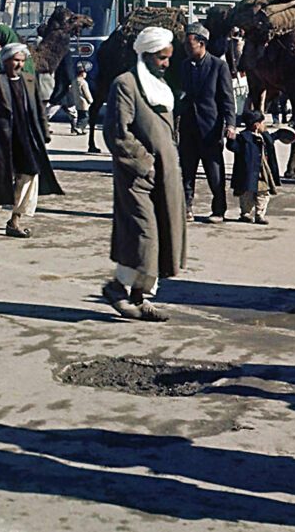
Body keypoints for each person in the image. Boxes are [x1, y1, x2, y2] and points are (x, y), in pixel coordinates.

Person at [101, 26, 186, 321]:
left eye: (168, 58)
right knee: (143, 234)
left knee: (161, 233)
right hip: (138, 177)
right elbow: (117, 133)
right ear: (147, 55)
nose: (166, 64)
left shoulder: (160, 87)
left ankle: (140, 297)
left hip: (164, 176)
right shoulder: (125, 84)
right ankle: (117, 287)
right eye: (161, 58)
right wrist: (144, 163)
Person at [0, 42, 63, 238]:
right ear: (5, 61)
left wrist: (44, 132)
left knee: (30, 174)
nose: (19, 64)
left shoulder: (29, 81)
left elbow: (38, 110)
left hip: (26, 136)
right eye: (15, 60)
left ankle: (15, 219)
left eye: (22, 61)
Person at [178, 22, 236, 223]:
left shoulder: (219, 66)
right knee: (186, 170)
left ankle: (219, 210)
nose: (186, 47)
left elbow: (227, 98)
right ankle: (186, 208)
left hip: (210, 128)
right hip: (188, 127)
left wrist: (230, 124)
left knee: (215, 172)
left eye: (189, 44)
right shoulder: (184, 66)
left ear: (202, 43)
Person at [228, 109, 280, 225]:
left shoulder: (264, 137)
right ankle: (245, 213)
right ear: (257, 125)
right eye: (263, 123)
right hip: (247, 172)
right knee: (246, 194)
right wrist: (230, 140)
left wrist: (280, 134)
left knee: (263, 193)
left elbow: (271, 141)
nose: (264, 126)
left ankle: (259, 214)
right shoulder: (243, 138)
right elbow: (233, 147)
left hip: (262, 172)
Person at [69, 61, 94, 134]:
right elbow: (86, 93)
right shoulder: (83, 82)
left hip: (77, 101)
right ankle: (79, 128)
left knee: (80, 116)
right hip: (84, 102)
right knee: (85, 117)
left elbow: (71, 90)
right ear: (82, 73)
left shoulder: (74, 81)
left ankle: (79, 129)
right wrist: (90, 100)